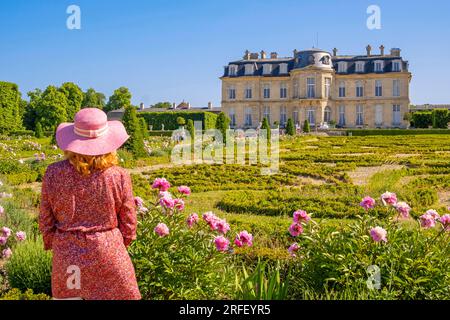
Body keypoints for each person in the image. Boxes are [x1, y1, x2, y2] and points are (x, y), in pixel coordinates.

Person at [39, 108, 141, 300]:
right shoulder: (118, 175)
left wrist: (58, 243)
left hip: (68, 255)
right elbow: (129, 223)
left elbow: (45, 220)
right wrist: (117, 243)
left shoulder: (53, 173)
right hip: (107, 251)